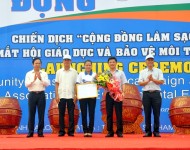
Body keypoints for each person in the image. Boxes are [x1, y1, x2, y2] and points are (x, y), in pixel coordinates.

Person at [138, 54, 164, 137]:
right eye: (148, 60)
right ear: (145, 62)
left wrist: (153, 79)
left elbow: (161, 82)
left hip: (156, 93)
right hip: (146, 94)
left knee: (157, 113)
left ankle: (156, 131)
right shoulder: (142, 72)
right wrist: (148, 80)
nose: (150, 61)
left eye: (151, 60)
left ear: (153, 61)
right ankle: (148, 131)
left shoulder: (158, 71)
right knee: (147, 113)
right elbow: (140, 83)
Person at [25, 57, 50, 138]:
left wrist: (40, 78)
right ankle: (30, 132)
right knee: (31, 114)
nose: (37, 64)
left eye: (39, 63)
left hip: (41, 95)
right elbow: (26, 84)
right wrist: (33, 79)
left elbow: (47, 84)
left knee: (41, 114)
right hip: (32, 95)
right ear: (33, 64)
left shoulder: (44, 73)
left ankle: (40, 132)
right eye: (36, 63)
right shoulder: (29, 73)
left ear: (41, 64)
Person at [55, 54, 78, 137]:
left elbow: (76, 84)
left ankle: (71, 131)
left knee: (71, 114)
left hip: (71, 95)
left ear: (70, 61)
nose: (66, 61)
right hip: (61, 95)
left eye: (68, 60)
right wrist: (57, 95)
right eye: (65, 60)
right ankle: (61, 131)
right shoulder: (59, 72)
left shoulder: (74, 72)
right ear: (63, 61)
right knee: (61, 114)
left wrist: (76, 95)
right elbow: (57, 84)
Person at [105, 57, 127, 138]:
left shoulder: (120, 72)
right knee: (109, 114)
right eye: (110, 62)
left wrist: (123, 92)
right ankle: (110, 131)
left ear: (116, 63)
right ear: (108, 63)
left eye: (113, 62)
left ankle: (119, 131)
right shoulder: (106, 73)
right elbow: (104, 85)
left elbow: (124, 83)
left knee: (119, 113)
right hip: (109, 94)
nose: (112, 63)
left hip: (118, 94)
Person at [76, 60, 96, 137]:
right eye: (86, 65)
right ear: (84, 66)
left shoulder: (94, 75)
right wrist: (77, 94)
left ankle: (90, 131)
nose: (88, 66)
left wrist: (95, 86)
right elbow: (77, 84)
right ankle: (85, 131)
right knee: (84, 113)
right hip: (83, 96)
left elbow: (98, 85)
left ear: (91, 66)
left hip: (92, 96)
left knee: (91, 113)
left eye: (89, 65)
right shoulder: (81, 74)